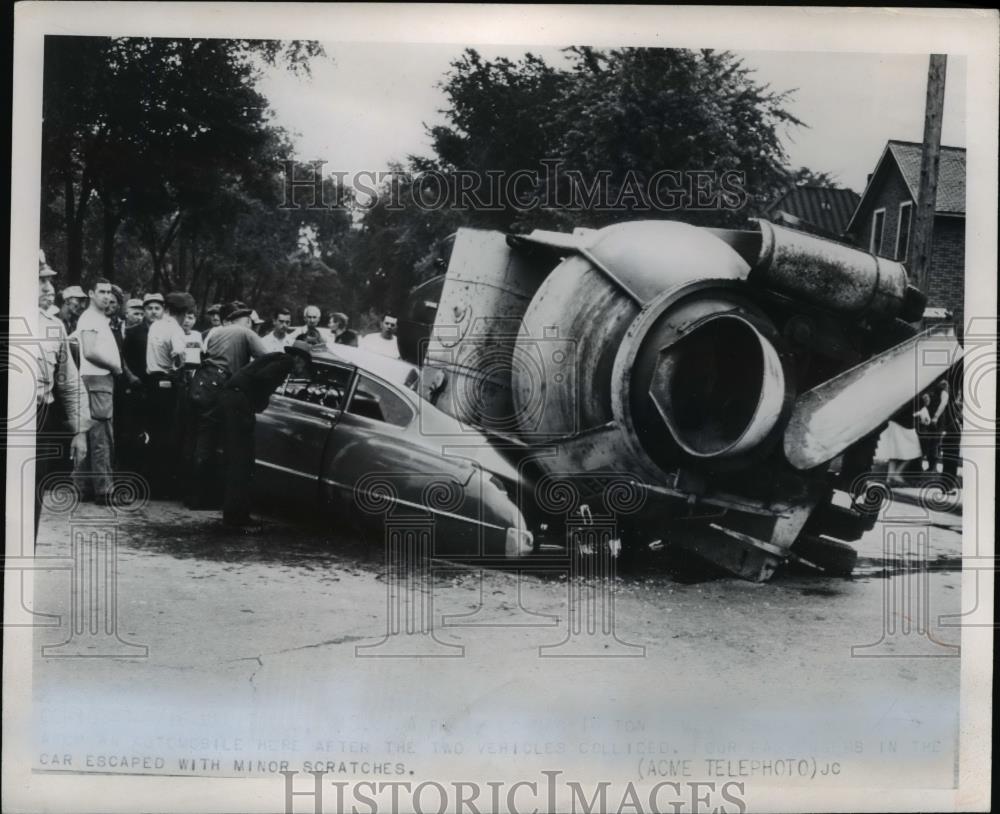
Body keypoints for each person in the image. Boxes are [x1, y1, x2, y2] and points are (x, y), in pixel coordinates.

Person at [218, 342, 314, 531]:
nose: (302, 369)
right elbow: (263, 378)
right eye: (304, 364)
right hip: (239, 403)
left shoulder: (277, 357)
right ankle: (235, 515)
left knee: (240, 460)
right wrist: (261, 399)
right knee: (242, 461)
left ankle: (236, 513)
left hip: (233, 400)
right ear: (298, 359)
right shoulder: (285, 362)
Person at [187, 301, 267, 508]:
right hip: (223, 387)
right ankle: (217, 497)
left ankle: (196, 496)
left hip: (203, 384)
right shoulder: (245, 333)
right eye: (249, 320)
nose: (250, 324)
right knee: (226, 442)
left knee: (204, 441)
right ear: (244, 320)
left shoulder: (214, 333)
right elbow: (266, 360)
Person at [33, 251, 91, 534]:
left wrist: (79, 432)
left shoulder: (53, 327)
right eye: (40, 281)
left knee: (31, 498)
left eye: (49, 281)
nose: (48, 289)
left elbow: (70, 384)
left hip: (38, 421)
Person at [72, 277, 122, 505]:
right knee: (101, 437)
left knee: (92, 434)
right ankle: (104, 491)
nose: (107, 296)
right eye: (101, 291)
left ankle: (83, 489)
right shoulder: (91, 318)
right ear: (91, 294)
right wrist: (114, 366)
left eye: (109, 292)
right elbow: (90, 351)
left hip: (96, 380)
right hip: (97, 379)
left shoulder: (97, 318)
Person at [146, 291, 195, 498]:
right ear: (183, 313)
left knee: (154, 433)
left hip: (152, 382)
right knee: (169, 434)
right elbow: (180, 357)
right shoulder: (176, 330)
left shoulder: (156, 325)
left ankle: (150, 482)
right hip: (167, 383)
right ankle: (163, 486)